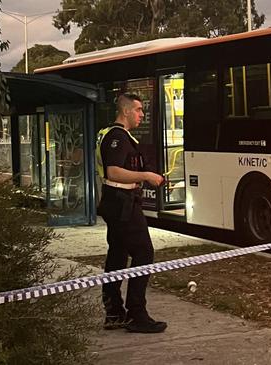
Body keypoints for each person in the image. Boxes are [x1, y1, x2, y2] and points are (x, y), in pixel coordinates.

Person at [95, 93, 167, 333]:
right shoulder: (117, 137)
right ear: (125, 111)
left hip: (117, 201)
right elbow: (114, 172)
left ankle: (114, 312)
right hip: (122, 202)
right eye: (138, 110)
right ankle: (137, 313)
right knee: (144, 252)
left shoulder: (116, 135)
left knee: (117, 255)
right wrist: (146, 176)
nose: (142, 115)